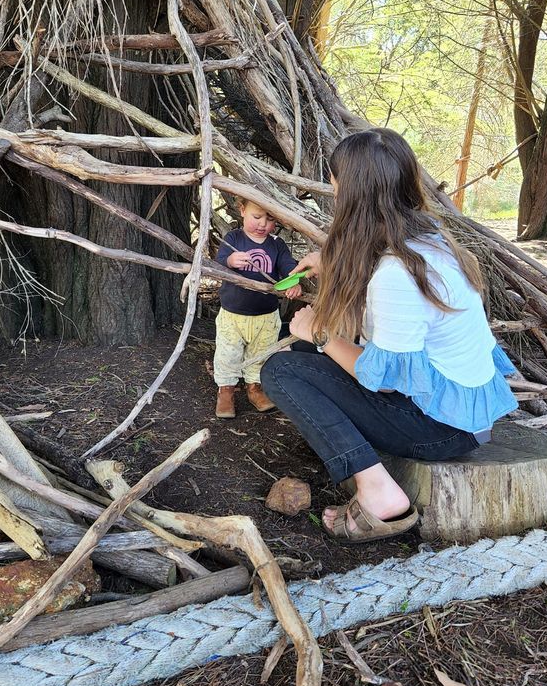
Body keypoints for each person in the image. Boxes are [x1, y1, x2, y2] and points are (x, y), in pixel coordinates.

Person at [260, 127, 518, 543]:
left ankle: (377, 490)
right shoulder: (429, 240)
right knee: (309, 353)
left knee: (283, 370)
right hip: (460, 408)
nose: (332, 186)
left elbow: (378, 379)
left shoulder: (397, 275)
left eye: (336, 179)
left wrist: (320, 333)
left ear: (352, 191)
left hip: (441, 428)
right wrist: (327, 262)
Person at [214, 198, 302, 418]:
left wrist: (294, 281)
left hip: (266, 315)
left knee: (261, 352)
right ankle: (226, 390)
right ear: (242, 210)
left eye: (270, 219)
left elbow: (288, 266)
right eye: (257, 217)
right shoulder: (234, 238)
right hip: (233, 314)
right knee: (228, 353)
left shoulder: (277, 244)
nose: (263, 224)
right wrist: (231, 260)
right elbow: (219, 260)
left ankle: (254, 387)